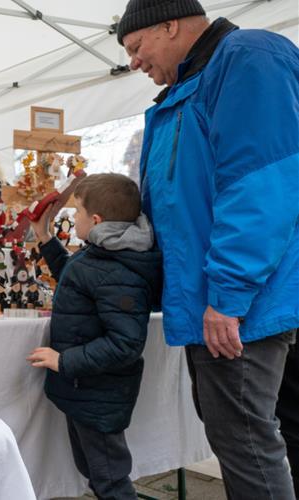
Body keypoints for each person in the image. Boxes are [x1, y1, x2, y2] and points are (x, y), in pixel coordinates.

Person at [118, 1, 299, 498]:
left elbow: (260, 185)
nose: (133, 62)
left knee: (244, 441)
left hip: (246, 305)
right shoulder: (187, 88)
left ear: (170, 25)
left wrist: (228, 296)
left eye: (136, 47)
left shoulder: (246, 57)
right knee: (252, 435)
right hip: (233, 299)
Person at [27, 173, 161, 500]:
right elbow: (77, 277)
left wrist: (64, 360)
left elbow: (125, 343)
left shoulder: (119, 269)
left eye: (78, 213)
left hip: (98, 394)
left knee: (110, 480)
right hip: (86, 391)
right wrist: (44, 236)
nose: (74, 219)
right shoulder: (104, 253)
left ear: (96, 220)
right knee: (96, 473)